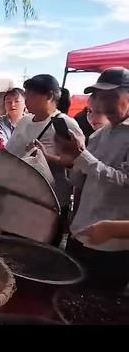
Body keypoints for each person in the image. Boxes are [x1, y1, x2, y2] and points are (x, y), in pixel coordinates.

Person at [55, 67, 129, 290]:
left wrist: (82, 157)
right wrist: (71, 159)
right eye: (99, 97)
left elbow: (125, 181)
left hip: (112, 245)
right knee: (66, 296)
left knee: (98, 305)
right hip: (81, 234)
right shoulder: (98, 135)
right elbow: (81, 181)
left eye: (112, 97)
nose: (105, 105)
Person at [6, 74, 84, 244]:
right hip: (20, 197)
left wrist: (45, 157)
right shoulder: (24, 121)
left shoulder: (65, 124)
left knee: (41, 254)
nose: (27, 100)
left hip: (50, 202)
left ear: (49, 96)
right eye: (26, 95)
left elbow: (77, 163)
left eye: (32, 96)